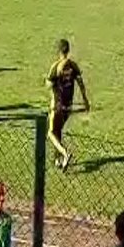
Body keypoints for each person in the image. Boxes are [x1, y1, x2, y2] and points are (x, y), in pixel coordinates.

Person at [45, 39, 90, 171]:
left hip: (57, 106)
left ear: (59, 51)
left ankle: (65, 153)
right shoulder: (73, 66)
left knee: (50, 133)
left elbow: (49, 84)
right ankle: (58, 160)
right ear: (68, 50)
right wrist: (86, 101)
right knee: (58, 130)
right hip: (68, 106)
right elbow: (81, 84)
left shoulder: (56, 67)